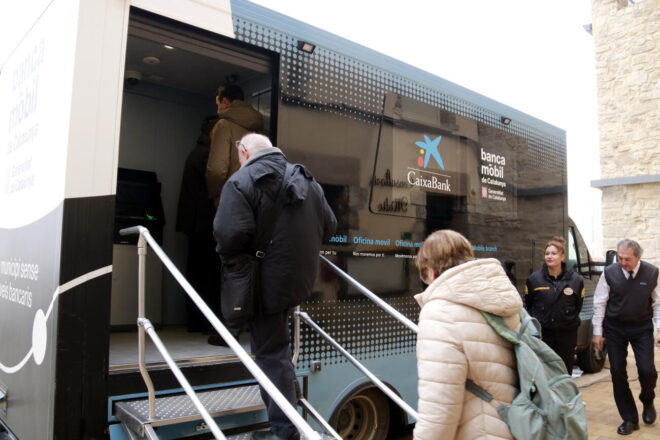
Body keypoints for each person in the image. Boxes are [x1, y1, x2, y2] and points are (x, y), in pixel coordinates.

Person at [213, 133, 337, 440]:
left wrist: (239, 265)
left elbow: (229, 234)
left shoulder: (241, 181)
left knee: (271, 354)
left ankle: (285, 432)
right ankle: (290, 418)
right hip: (297, 280)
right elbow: (330, 227)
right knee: (278, 349)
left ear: (243, 152)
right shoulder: (309, 182)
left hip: (264, 281)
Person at [413, 230, 522, 440]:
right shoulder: (505, 300)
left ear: (430, 270)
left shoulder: (439, 312)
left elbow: (438, 407)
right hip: (517, 426)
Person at [592, 238, 659, 435]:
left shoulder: (653, 273)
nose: (622, 262)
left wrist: (659, 330)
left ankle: (647, 399)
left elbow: (658, 303)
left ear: (638, 257)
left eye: (627, 259)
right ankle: (629, 418)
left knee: (647, 370)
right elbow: (599, 303)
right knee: (618, 372)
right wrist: (597, 332)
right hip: (615, 329)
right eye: (619, 257)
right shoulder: (609, 273)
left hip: (642, 328)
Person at [176, 115, 220, 333]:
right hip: (204, 225)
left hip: (195, 225)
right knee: (207, 274)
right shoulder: (207, 155)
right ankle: (205, 322)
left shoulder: (196, 152)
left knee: (196, 273)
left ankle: (196, 321)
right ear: (213, 132)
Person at [524, 236, 585, 374]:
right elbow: (529, 304)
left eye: (554, 253)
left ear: (562, 256)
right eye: (547, 254)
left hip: (567, 333)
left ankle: (564, 396)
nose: (549, 256)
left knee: (564, 370)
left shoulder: (576, 280)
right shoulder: (534, 279)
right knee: (544, 371)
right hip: (543, 333)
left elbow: (577, 306)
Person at [206, 83, 264, 207]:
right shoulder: (260, 130)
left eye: (218, 104)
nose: (217, 110)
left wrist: (214, 194)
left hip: (231, 199)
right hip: (255, 201)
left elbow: (216, 171)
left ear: (225, 102)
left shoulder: (224, 125)